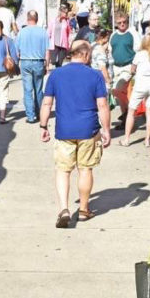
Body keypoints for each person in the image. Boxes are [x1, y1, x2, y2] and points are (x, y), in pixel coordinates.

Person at [39, 40, 112, 228]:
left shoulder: (56, 75)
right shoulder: (95, 76)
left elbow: (47, 103)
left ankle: (64, 208)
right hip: (89, 130)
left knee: (63, 170)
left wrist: (43, 126)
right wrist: (106, 130)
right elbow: (102, 105)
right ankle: (84, 210)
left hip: (64, 130)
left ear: (72, 54)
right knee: (85, 169)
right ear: (86, 55)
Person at [120, 34, 150, 147]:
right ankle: (147, 140)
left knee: (131, 111)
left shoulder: (139, 54)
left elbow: (133, 69)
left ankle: (127, 139)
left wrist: (134, 72)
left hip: (140, 85)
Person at [16, 10, 49, 124]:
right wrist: (47, 65)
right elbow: (47, 51)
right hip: (38, 62)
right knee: (38, 90)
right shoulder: (43, 32)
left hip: (25, 62)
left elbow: (17, 52)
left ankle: (30, 116)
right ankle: (40, 113)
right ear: (37, 18)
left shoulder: (21, 32)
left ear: (27, 18)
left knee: (27, 90)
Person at [109, 13, 141, 125]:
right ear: (116, 24)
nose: (122, 24)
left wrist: (134, 65)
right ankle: (126, 119)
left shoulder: (132, 34)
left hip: (127, 67)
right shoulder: (113, 35)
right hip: (115, 67)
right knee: (119, 93)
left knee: (116, 89)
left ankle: (130, 111)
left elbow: (138, 51)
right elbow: (110, 50)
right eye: (119, 23)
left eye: (124, 22)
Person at [47, 3, 73, 68]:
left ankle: (58, 73)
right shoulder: (53, 20)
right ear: (61, 12)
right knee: (53, 61)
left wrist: (69, 44)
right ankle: (56, 67)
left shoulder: (67, 21)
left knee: (60, 62)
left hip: (63, 45)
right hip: (54, 44)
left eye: (66, 13)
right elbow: (48, 32)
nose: (66, 14)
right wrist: (47, 41)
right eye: (65, 13)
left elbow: (69, 33)